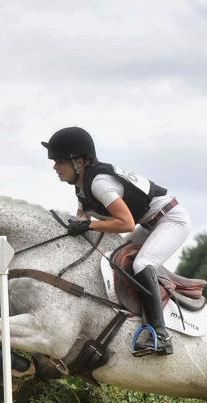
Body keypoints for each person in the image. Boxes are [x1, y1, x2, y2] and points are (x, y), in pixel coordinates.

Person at [42, 126, 190, 356]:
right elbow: (82, 220)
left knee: (143, 263)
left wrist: (89, 225)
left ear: (79, 162)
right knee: (115, 256)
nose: (54, 167)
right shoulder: (82, 188)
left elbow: (126, 223)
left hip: (170, 220)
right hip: (150, 224)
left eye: (59, 161)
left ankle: (161, 336)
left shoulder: (99, 183)